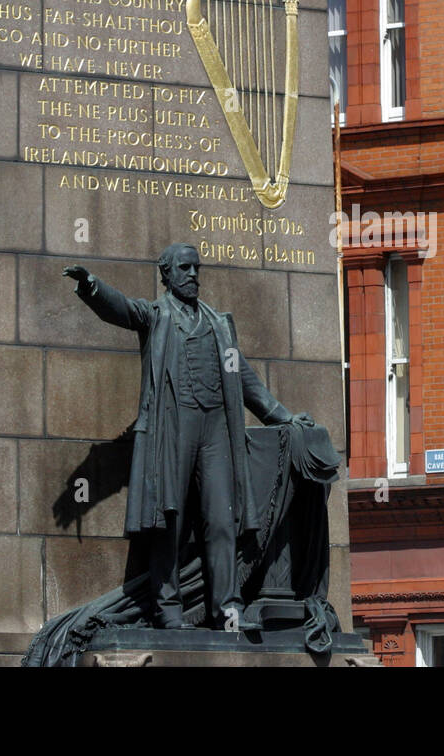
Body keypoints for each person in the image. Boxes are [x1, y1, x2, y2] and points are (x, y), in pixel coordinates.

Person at [62, 243, 300, 629]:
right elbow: (121, 308)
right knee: (168, 519)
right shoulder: (157, 316)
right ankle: (167, 609)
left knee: (223, 519)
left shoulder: (218, 325)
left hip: (216, 429)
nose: (193, 274)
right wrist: (91, 286)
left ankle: (227, 607)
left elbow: (242, 377)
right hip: (173, 426)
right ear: (167, 274)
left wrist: (281, 416)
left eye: (196, 268)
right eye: (185, 268)